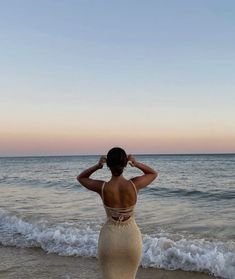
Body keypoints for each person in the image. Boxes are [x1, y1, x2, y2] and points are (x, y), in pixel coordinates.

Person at [77, 147, 157, 279]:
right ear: (125, 163)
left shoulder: (102, 187)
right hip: (131, 240)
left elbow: (81, 178)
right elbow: (153, 174)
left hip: (110, 241)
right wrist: (136, 164)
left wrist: (97, 166)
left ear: (108, 164)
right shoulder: (134, 185)